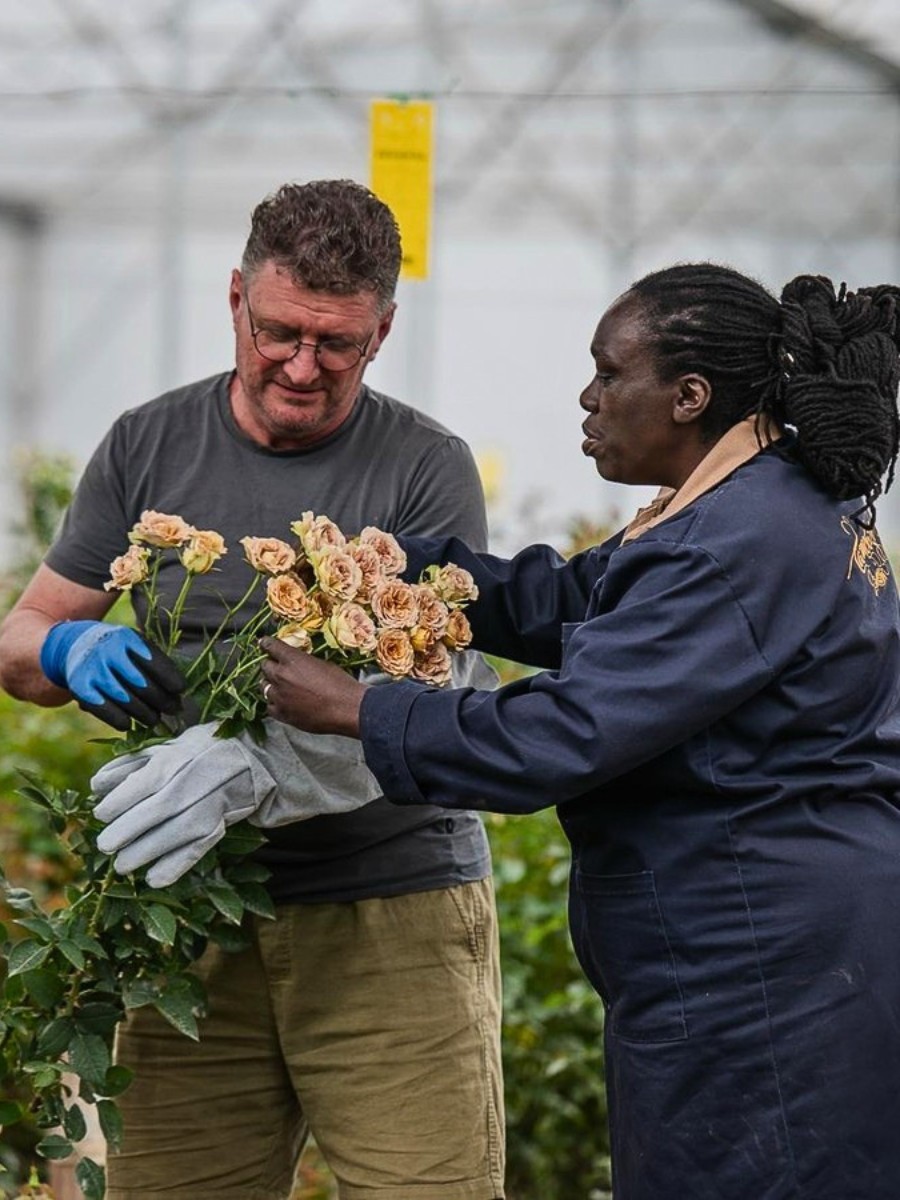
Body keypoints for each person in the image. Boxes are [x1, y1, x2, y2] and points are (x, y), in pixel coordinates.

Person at [239, 264, 900, 1200]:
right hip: (784, 946)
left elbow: (566, 732)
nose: (588, 398)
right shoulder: (759, 498)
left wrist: (355, 708)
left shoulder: (738, 541)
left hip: (759, 963)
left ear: (689, 397)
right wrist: (408, 570)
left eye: (608, 372)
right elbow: (580, 599)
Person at [0, 180, 506, 1200]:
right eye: (278, 332)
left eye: (338, 344)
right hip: (187, 912)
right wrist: (66, 651)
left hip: (389, 910)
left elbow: (440, 690)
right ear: (236, 298)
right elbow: (21, 638)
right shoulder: (149, 442)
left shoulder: (424, 468)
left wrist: (250, 766)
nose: (302, 367)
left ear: (382, 330)